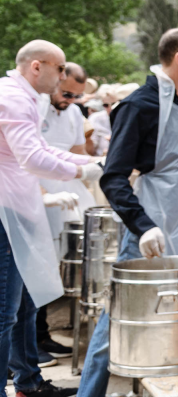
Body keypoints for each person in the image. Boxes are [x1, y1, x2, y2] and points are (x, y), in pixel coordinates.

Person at [64, 28, 178, 397]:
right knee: (114, 334)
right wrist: (143, 226)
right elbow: (113, 177)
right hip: (147, 235)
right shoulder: (139, 105)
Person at [0, 41, 91, 397]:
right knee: (4, 311)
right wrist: (82, 173)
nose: (60, 78)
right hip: (5, 212)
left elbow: (40, 148)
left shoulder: (23, 97)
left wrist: (90, 161)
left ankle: (27, 384)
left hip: (16, 209)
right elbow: (32, 158)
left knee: (19, 306)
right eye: (58, 70)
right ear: (37, 67)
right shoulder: (15, 100)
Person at [37, 62, 96, 362]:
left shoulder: (74, 113)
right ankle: (32, 339)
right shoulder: (36, 108)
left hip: (68, 191)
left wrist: (94, 165)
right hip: (39, 191)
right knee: (36, 266)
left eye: (76, 96)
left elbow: (76, 154)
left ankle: (43, 334)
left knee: (59, 264)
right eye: (66, 93)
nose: (70, 100)